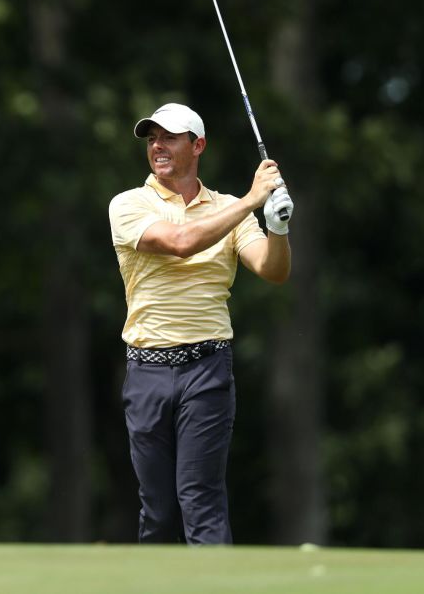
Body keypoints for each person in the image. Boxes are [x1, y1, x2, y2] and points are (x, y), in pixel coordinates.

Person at [108, 102, 293, 544]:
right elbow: (180, 242)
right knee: (158, 510)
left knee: (202, 499)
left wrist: (278, 228)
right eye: (152, 138)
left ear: (198, 145)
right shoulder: (129, 204)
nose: (158, 146)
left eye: (169, 137)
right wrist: (252, 199)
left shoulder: (228, 209)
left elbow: (273, 270)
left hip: (207, 370)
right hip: (147, 371)